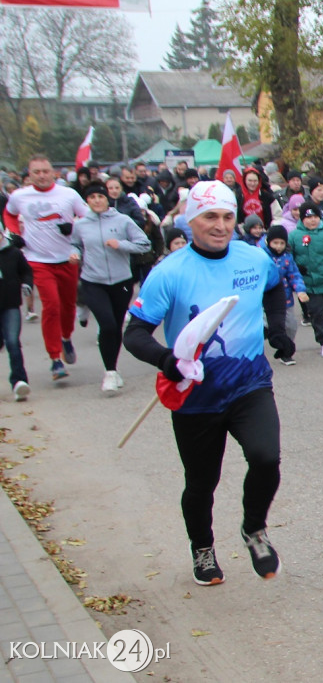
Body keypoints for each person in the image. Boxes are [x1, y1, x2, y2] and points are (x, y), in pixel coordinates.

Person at [123, 180, 294, 586]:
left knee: (266, 457)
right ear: (190, 220)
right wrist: (168, 360)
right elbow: (135, 334)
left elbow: (273, 287)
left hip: (249, 384)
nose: (220, 226)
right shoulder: (170, 272)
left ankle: (254, 529)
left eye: (227, 216)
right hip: (196, 395)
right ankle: (202, 548)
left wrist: (276, 329)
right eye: (210, 217)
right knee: (201, 483)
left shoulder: (253, 259)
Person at [3, 155, 88, 380]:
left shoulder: (68, 194)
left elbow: (87, 218)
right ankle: (55, 359)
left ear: (53, 173)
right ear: (29, 175)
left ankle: (66, 339)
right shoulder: (19, 196)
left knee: (68, 306)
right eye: (36, 172)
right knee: (51, 306)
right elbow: (9, 215)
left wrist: (72, 227)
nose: (41, 175)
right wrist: (15, 235)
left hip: (67, 258)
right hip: (37, 260)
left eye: (45, 171)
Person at [69, 182, 152, 393]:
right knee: (106, 325)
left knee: (115, 327)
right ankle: (109, 372)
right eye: (92, 197)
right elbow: (75, 243)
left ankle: (113, 370)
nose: (97, 200)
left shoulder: (122, 221)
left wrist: (121, 245)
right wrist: (75, 254)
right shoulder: (80, 225)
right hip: (93, 281)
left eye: (100, 196)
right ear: (86, 201)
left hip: (121, 281)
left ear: (108, 199)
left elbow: (145, 244)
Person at [287, 203, 323, 358]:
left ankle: (312, 312)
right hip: (308, 283)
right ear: (301, 218)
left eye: (315, 217)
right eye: (308, 217)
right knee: (316, 311)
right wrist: (295, 268)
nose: (312, 220)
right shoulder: (294, 236)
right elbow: (288, 256)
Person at [261, 225, 308, 363]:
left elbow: (294, 275)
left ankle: (286, 349)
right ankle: (256, 352)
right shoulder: (261, 256)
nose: (279, 246)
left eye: (282, 243)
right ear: (268, 242)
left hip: (285, 299)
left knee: (290, 325)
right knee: (264, 326)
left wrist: (300, 290)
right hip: (264, 299)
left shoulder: (287, 257)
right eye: (275, 243)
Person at [0, 232, 33, 401]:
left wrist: (27, 283)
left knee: (13, 342)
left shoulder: (13, 253)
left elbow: (26, 271)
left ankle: (19, 382)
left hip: (10, 305)